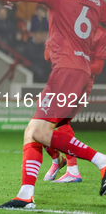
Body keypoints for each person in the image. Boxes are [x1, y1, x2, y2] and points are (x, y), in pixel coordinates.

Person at [0, 0, 106, 208]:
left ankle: (101, 160)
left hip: (66, 71)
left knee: (41, 132)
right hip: (80, 72)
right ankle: (25, 195)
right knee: (31, 132)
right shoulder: (97, 2)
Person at [42, 25, 106, 183]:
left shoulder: (101, 34)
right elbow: (47, 55)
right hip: (59, 79)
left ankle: (73, 170)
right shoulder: (65, 24)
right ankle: (58, 160)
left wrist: (73, 65)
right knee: (39, 125)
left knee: (60, 121)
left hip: (80, 82)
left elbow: (97, 68)